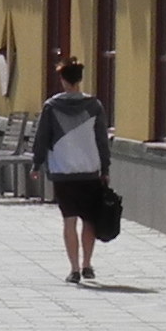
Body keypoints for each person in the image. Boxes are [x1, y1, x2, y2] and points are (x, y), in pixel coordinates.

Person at [32, 58, 111, 283]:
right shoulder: (94, 106)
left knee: (69, 220)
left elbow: (42, 138)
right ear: (80, 79)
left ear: (63, 80)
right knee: (89, 220)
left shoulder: (52, 106)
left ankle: (74, 269)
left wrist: (36, 164)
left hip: (63, 171)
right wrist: (105, 168)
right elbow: (102, 140)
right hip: (90, 170)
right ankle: (87, 264)